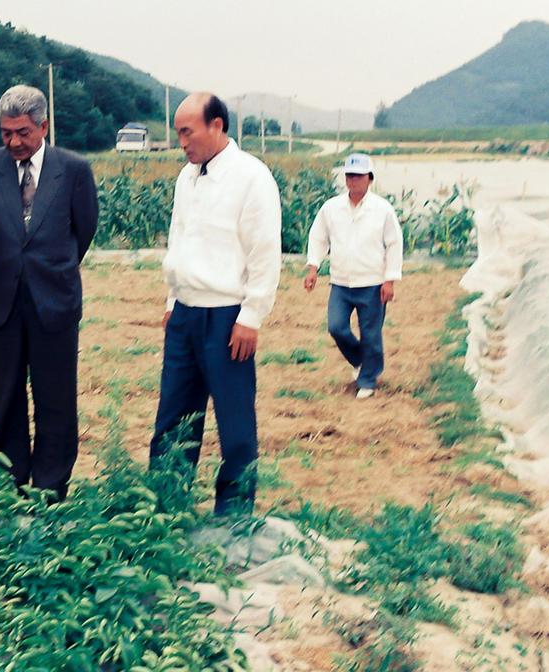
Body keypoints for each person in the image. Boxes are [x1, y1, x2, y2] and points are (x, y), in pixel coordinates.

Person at [0, 84, 99, 501]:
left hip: (55, 301)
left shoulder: (73, 169)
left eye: (22, 133)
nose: (14, 141)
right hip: (2, 302)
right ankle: (8, 481)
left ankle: (51, 488)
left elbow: (83, 229)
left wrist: (54, 265)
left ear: (43, 126)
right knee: (7, 395)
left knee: (55, 399)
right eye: (6, 133)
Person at [150, 92, 282, 516]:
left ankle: (234, 516)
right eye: (178, 133)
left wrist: (252, 315)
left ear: (217, 126)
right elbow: (180, 239)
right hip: (186, 313)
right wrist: (174, 297)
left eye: (187, 132)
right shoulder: (186, 179)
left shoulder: (251, 177)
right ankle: (166, 505)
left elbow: (264, 251)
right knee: (174, 417)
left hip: (228, 316)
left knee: (234, 422)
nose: (182, 142)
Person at [303, 152, 403, 399]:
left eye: (359, 176)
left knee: (371, 333)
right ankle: (362, 361)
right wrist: (313, 267)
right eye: (349, 176)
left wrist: (389, 280)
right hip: (341, 282)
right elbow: (318, 237)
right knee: (336, 327)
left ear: (370, 179)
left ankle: (367, 380)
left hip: (372, 283)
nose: (353, 181)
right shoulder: (331, 208)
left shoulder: (382, 210)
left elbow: (394, 244)